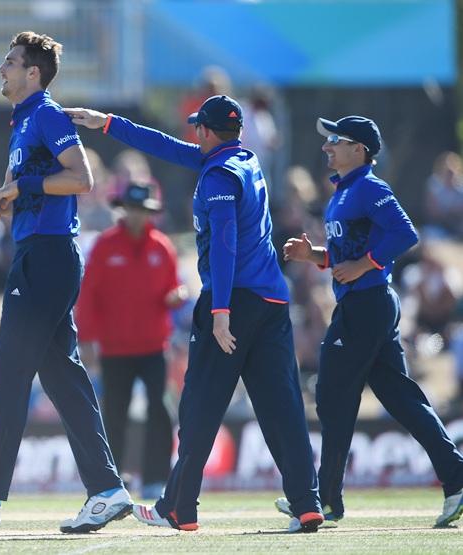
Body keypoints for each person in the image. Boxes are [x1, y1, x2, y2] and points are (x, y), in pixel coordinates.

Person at [65, 95, 324, 533]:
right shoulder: (242, 160)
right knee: (282, 406)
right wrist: (105, 122)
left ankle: (180, 508)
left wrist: (220, 311)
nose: (191, 134)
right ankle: (307, 502)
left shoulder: (218, 174)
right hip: (272, 302)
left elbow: (224, 243)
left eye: (196, 127)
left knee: (199, 406)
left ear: (205, 132)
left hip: (233, 301)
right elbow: (163, 146)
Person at [0, 31, 132, 533]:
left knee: (11, 373)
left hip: (48, 258)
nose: (2, 69)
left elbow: (81, 180)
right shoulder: (24, 124)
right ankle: (106, 489)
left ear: (32, 73)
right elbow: (16, 201)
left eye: (10, 62)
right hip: (39, 256)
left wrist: (23, 186)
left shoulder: (47, 116)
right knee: (64, 378)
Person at [277, 115, 463, 527]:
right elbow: (349, 256)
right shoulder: (343, 192)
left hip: (367, 304)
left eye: (335, 141)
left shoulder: (369, 187)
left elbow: (405, 233)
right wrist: (316, 256)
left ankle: (323, 498)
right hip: (365, 302)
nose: (327, 147)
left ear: (359, 149)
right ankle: (456, 475)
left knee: (330, 393)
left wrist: (364, 264)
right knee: (401, 400)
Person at [76, 182, 187, 499]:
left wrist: (176, 297)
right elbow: (88, 298)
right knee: (115, 413)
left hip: (154, 347)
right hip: (115, 348)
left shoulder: (162, 246)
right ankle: (113, 481)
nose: (138, 217)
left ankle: (156, 479)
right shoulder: (105, 246)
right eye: (134, 210)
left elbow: (173, 289)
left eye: (144, 211)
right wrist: (87, 341)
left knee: (160, 412)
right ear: (124, 210)